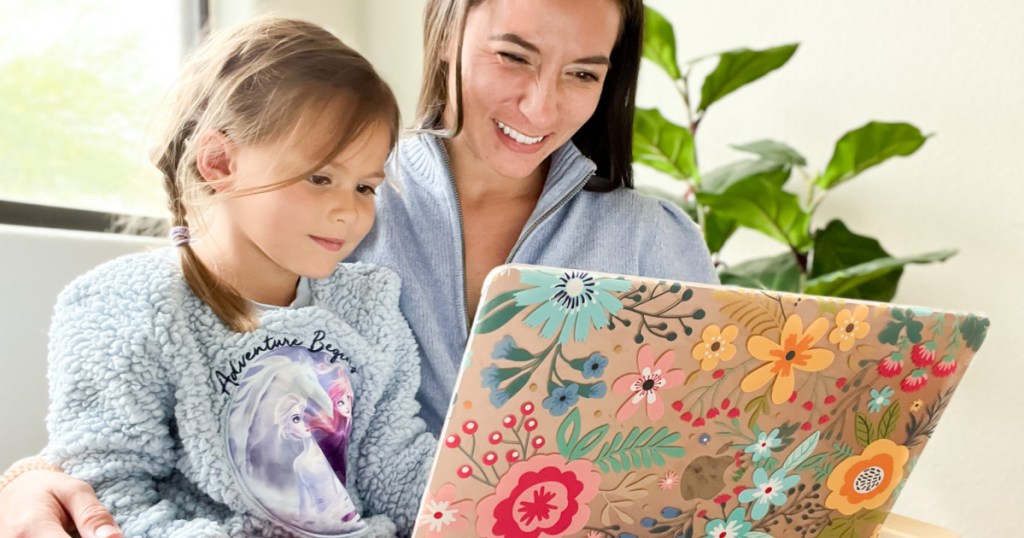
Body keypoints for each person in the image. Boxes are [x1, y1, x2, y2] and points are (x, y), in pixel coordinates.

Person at [0, 1, 718, 536]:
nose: (541, 103)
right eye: (513, 56)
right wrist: (29, 478)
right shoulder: (312, 194)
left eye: (584, 72)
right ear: (450, 35)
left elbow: (710, 453)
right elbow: (131, 429)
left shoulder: (652, 240)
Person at [4, 15, 434, 538]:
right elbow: (109, 490)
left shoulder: (367, 303)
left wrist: (479, 507)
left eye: (365, 188)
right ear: (218, 160)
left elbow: (394, 462)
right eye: (321, 178)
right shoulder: (123, 304)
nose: (349, 211)